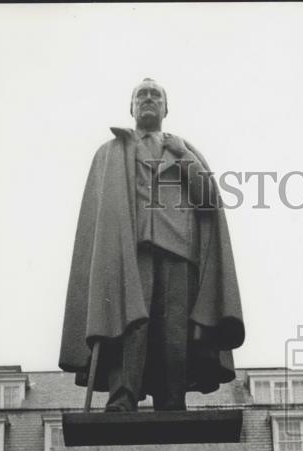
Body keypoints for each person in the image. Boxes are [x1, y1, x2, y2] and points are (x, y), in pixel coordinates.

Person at [59, 78, 244, 411]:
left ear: (165, 107)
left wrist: (182, 154)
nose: (147, 99)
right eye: (140, 95)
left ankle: (172, 401)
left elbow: (207, 199)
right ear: (131, 107)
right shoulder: (110, 152)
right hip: (129, 251)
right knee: (130, 322)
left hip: (179, 250)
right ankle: (123, 397)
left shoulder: (184, 150)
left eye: (154, 95)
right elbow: (98, 219)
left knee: (174, 330)